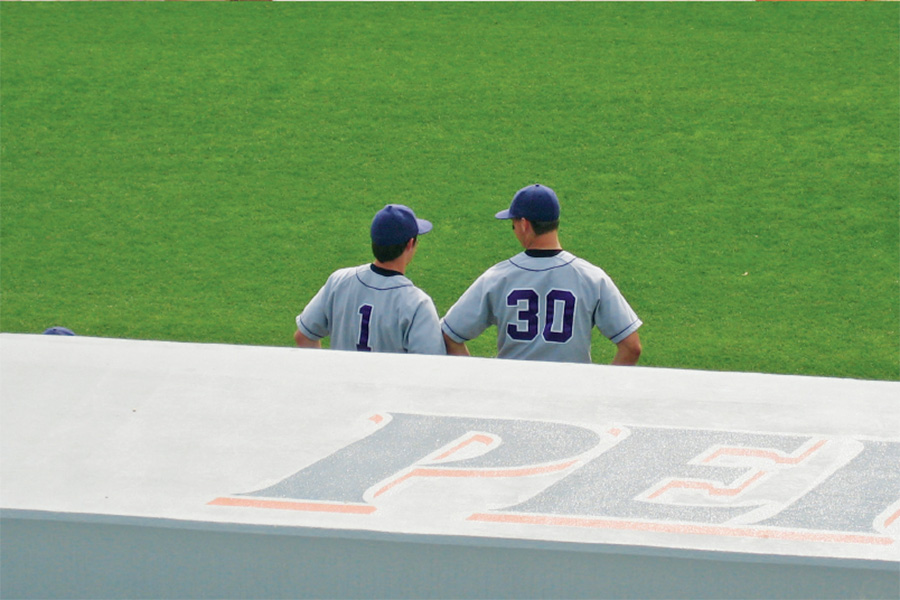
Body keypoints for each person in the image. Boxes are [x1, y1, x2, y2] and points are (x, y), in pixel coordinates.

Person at [440, 184, 642, 365]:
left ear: (524, 224)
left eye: (513, 223)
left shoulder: (496, 277)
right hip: (572, 399)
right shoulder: (592, 277)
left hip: (512, 397)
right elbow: (632, 347)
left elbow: (449, 335)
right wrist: (599, 392)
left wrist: (477, 381)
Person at [294, 204, 445, 355]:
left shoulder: (339, 281)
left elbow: (304, 337)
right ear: (410, 244)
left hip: (340, 379)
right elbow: (431, 368)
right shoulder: (417, 305)